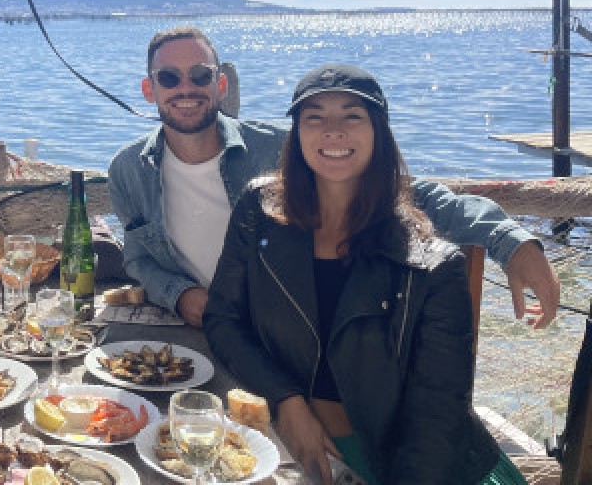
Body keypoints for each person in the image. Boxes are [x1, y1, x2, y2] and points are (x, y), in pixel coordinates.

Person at [111, 25, 560, 329]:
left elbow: (409, 194)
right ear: (150, 89)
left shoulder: (280, 149)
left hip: (289, 331)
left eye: (200, 75)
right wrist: (184, 296)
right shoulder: (128, 170)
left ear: (220, 85)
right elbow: (138, 259)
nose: (185, 89)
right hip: (205, 331)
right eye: (169, 77)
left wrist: (511, 242)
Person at [204, 64, 526, 485]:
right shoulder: (259, 212)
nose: (332, 131)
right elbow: (223, 320)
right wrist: (287, 401)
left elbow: (436, 415)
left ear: (380, 133)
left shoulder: (432, 266)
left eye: (352, 116)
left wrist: (517, 243)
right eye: (314, 117)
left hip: (400, 460)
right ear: (296, 134)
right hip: (286, 438)